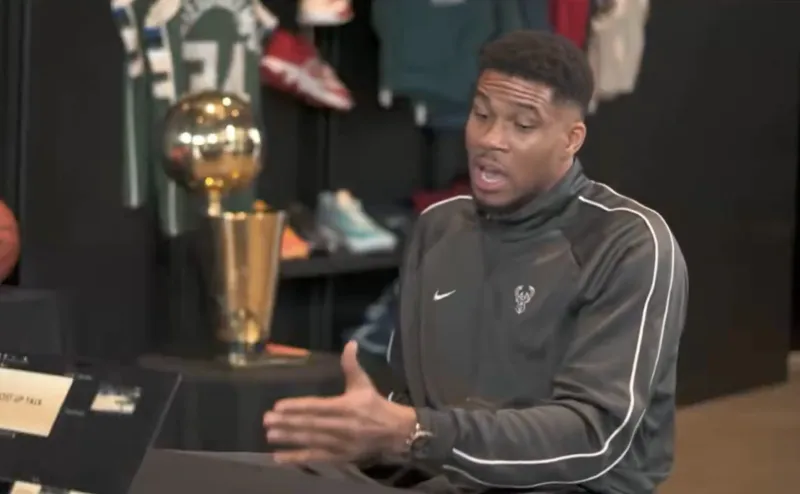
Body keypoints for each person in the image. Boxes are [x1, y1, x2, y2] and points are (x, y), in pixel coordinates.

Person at [200, 30, 688, 494]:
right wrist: (364, 435)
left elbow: (594, 436)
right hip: (439, 475)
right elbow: (409, 401)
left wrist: (415, 432)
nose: (490, 139)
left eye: (522, 125)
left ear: (571, 139)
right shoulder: (439, 227)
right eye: (481, 114)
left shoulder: (627, 242)